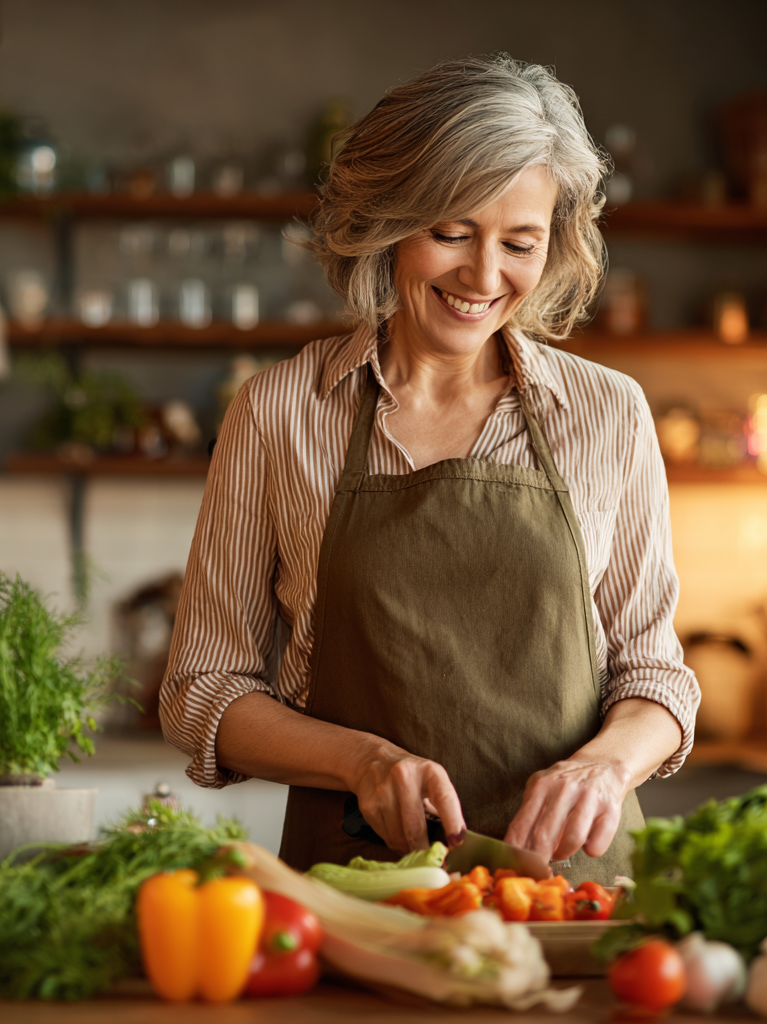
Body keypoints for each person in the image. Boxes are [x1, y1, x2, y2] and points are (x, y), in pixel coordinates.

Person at [160, 54, 699, 885]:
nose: (484, 278)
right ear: (386, 222)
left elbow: (655, 676)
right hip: (360, 888)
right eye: (450, 233)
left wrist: (606, 766)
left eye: (519, 243)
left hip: (574, 895)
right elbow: (201, 689)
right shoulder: (279, 412)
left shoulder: (607, 413)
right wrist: (362, 762)